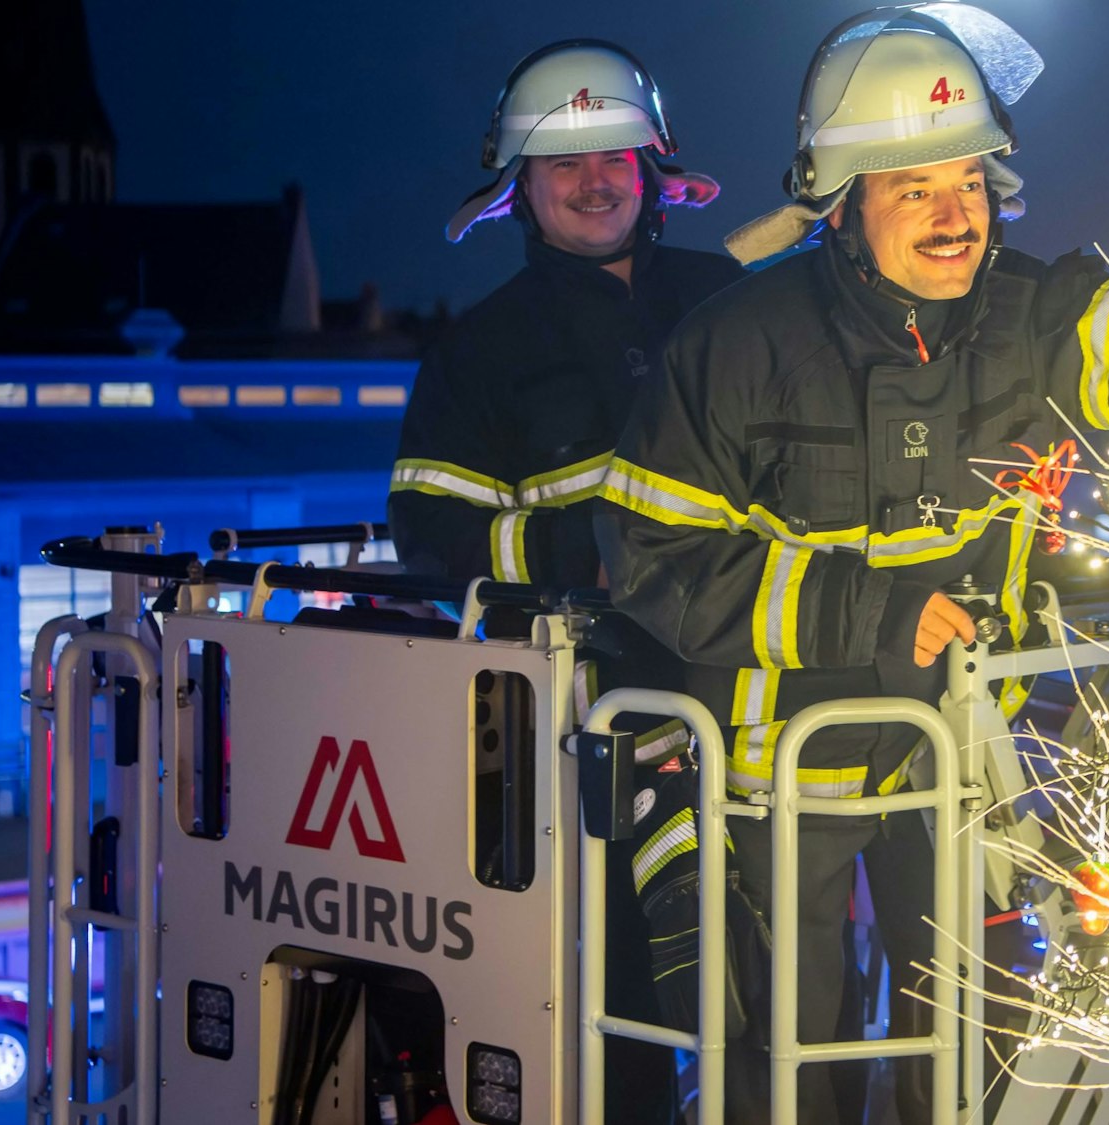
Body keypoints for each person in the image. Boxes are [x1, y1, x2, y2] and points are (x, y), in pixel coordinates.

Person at [592, 6, 1109, 1122]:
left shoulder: (1034, 313)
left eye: (968, 180)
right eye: (913, 188)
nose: (953, 214)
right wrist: (863, 614)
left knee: (967, 1046)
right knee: (789, 1057)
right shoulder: (736, 346)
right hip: (774, 765)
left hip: (959, 755)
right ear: (845, 203)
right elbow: (650, 557)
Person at [386, 38, 746, 1123]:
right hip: (584, 711)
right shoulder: (478, 351)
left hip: (753, 676)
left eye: (615, 161)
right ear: (521, 191)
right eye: (565, 167)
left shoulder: (726, 297)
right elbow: (427, 531)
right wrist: (577, 557)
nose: (595, 185)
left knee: (776, 972)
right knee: (619, 991)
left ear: (653, 172)